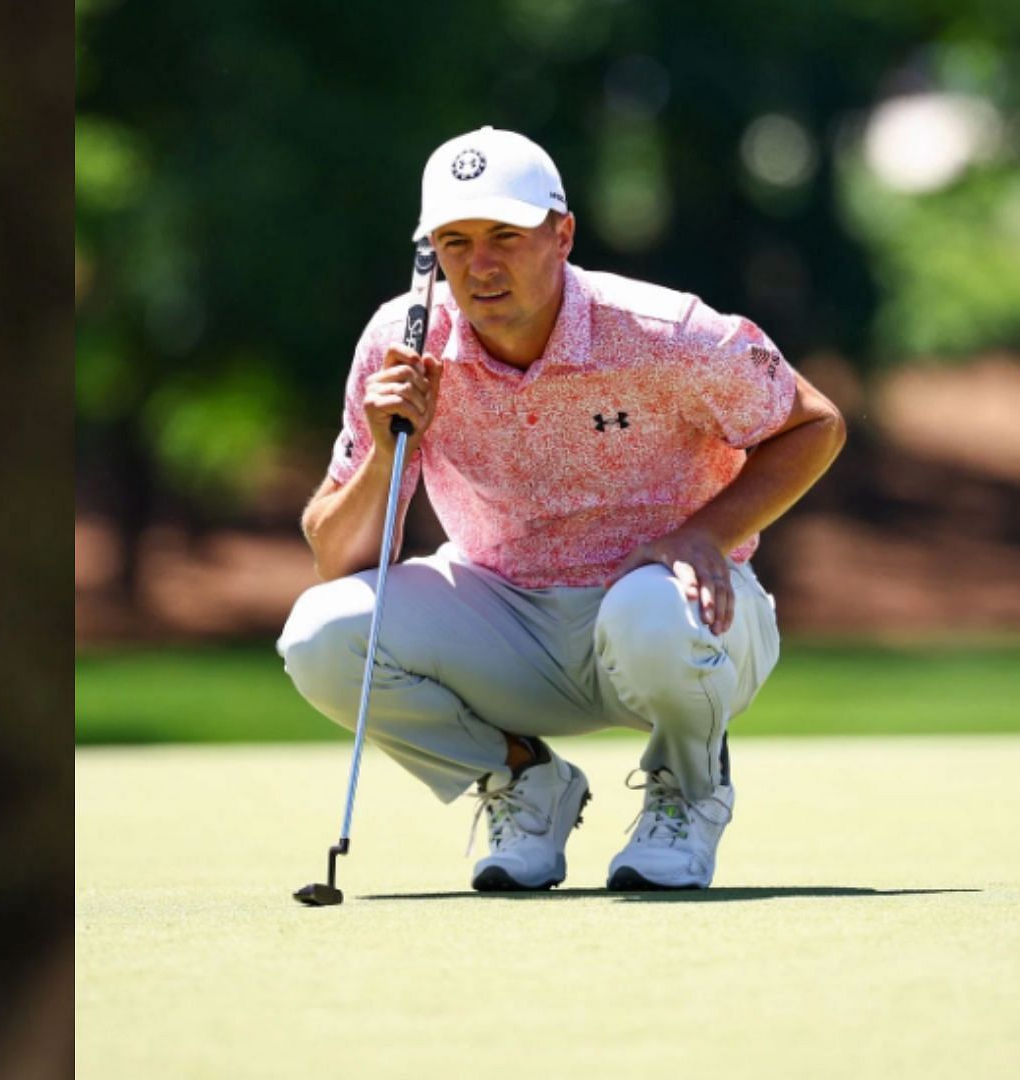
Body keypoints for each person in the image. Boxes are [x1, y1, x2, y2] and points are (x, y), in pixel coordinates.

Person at [277, 127, 846, 893]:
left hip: (673, 616)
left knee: (647, 610)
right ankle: (524, 780)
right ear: (430, 253)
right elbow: (338, 560)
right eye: (455, 241)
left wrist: (704, 533)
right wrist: (386, 450)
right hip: (506, 621)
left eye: (505, 236)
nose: (480, 265)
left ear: (562, 234)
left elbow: (814, 423)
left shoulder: (664, 331)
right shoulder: (401, 342)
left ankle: (687, 792)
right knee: (321, 634)